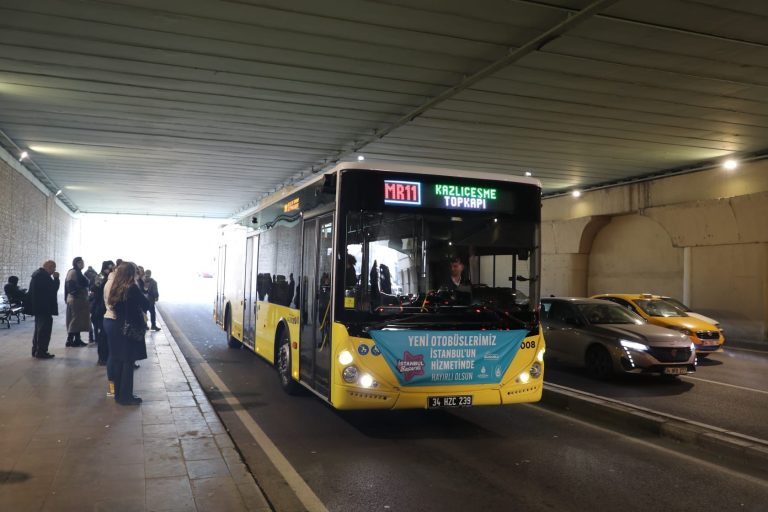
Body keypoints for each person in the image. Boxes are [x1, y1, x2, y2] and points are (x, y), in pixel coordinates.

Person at [105, 262, 149, 405]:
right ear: (131, 273)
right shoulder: (132, 288)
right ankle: (126, 397)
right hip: (129, 328)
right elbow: (146, 304)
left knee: (118, 361)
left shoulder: (115, 286)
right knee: (128, 362)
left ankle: (118, 394)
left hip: (117, 325)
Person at [25, 260, 60, 359]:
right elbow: (53, 290)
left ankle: (36, 350)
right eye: (54, 268)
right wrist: (56, 279)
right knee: (44, 331)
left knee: (38, 330)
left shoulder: (37, 275)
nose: (54, 270)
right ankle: (41, 352)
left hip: (39, 308)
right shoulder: (44, 277)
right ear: (49, 267)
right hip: (44, 308)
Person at [91, 260, 114, 365]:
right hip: (100, 308)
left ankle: (105, 356)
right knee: (103, 335)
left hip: (103, 308)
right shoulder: (101, 276)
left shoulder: (109, 277)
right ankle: (102, 357)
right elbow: (94, 288)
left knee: (105, 334)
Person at [65, 257, 91, 347]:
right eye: (80, 262)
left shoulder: (78, 272)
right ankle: (70, 340)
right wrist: (79, 292)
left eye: (83, 262)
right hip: (75, 300)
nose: (82, 264)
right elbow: (70, 287)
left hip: (79, 300)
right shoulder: (73, 272)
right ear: (75, 263)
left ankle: (77, 339)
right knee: (75, 320)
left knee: (78, 320)